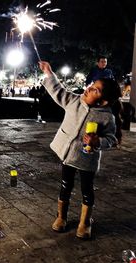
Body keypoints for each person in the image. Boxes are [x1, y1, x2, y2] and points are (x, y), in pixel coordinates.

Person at [39, 61, 122, 239]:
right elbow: (58, 92)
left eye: (96, 90)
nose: (90, 88)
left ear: (104, 100)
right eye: (92, 85)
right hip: (68, 155)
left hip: (87, 159)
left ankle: (85, 222)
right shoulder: (75, 101)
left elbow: (111, 139)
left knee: (87, 189)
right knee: (65, 185)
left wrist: (98, 141)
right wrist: (49, 73)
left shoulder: (107, 117)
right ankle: (61, 216)